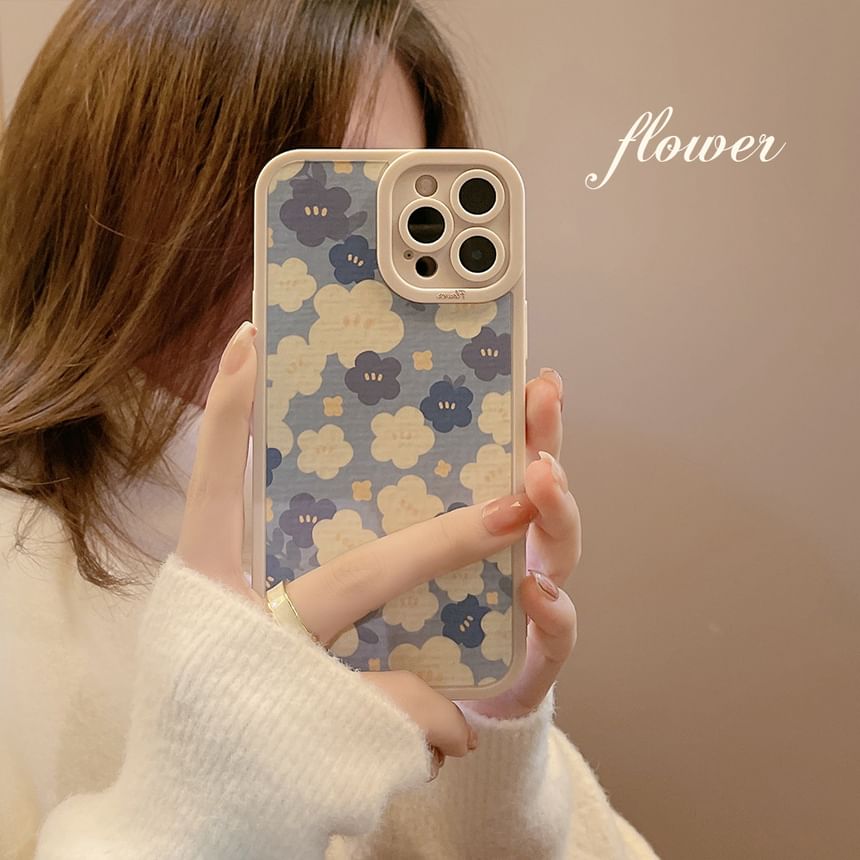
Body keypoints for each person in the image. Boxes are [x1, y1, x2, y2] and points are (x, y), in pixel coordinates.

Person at [0, 1, 658, 857]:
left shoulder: (394, 528)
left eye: (378, 201)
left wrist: (484, 745)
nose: (331, 263)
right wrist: (198, 810)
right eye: (301, 196)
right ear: (96, 191)